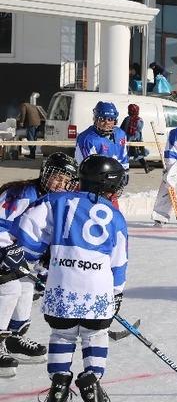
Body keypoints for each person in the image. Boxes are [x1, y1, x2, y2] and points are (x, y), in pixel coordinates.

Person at [12, 154, 128, 401]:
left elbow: (29, 228)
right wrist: (117, 292)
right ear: (106, 185)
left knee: (62, 335)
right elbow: (119, 262)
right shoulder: (115, 217)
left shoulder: (56, 200)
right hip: (97, 290)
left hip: (61, 286)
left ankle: (59, 382)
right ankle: (91, 379)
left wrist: (34, 253)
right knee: (95, 335)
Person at [0, 153, 77, 377]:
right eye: (56, 177)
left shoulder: (58, 201)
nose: (60, 184)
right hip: (4, 253)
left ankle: (13, 338)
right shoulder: (21, 193)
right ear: (45, 173)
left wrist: (45, 268)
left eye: (66, 180)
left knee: (25, 288)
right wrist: (7, 249)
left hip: (20, 260)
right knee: (10, 288)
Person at [74, 102, 129, 171]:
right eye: (102, 119)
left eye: (110, 119)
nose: (107, 122)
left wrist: (124, 174)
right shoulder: (86, 139)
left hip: (116, 176)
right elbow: (86, 168)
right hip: (96, 177)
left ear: (115, 121)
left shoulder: (120, 134)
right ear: (95, 119)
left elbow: (123, 159)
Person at [120, 104, 150, 173]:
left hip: (127, 140)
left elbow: (122, 129)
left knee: (125, 154)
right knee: (139, 155)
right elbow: (139, 131)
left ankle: (124, 168)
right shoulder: (140, 120)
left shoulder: (127, 119)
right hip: (137, 140)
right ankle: (146, 167)